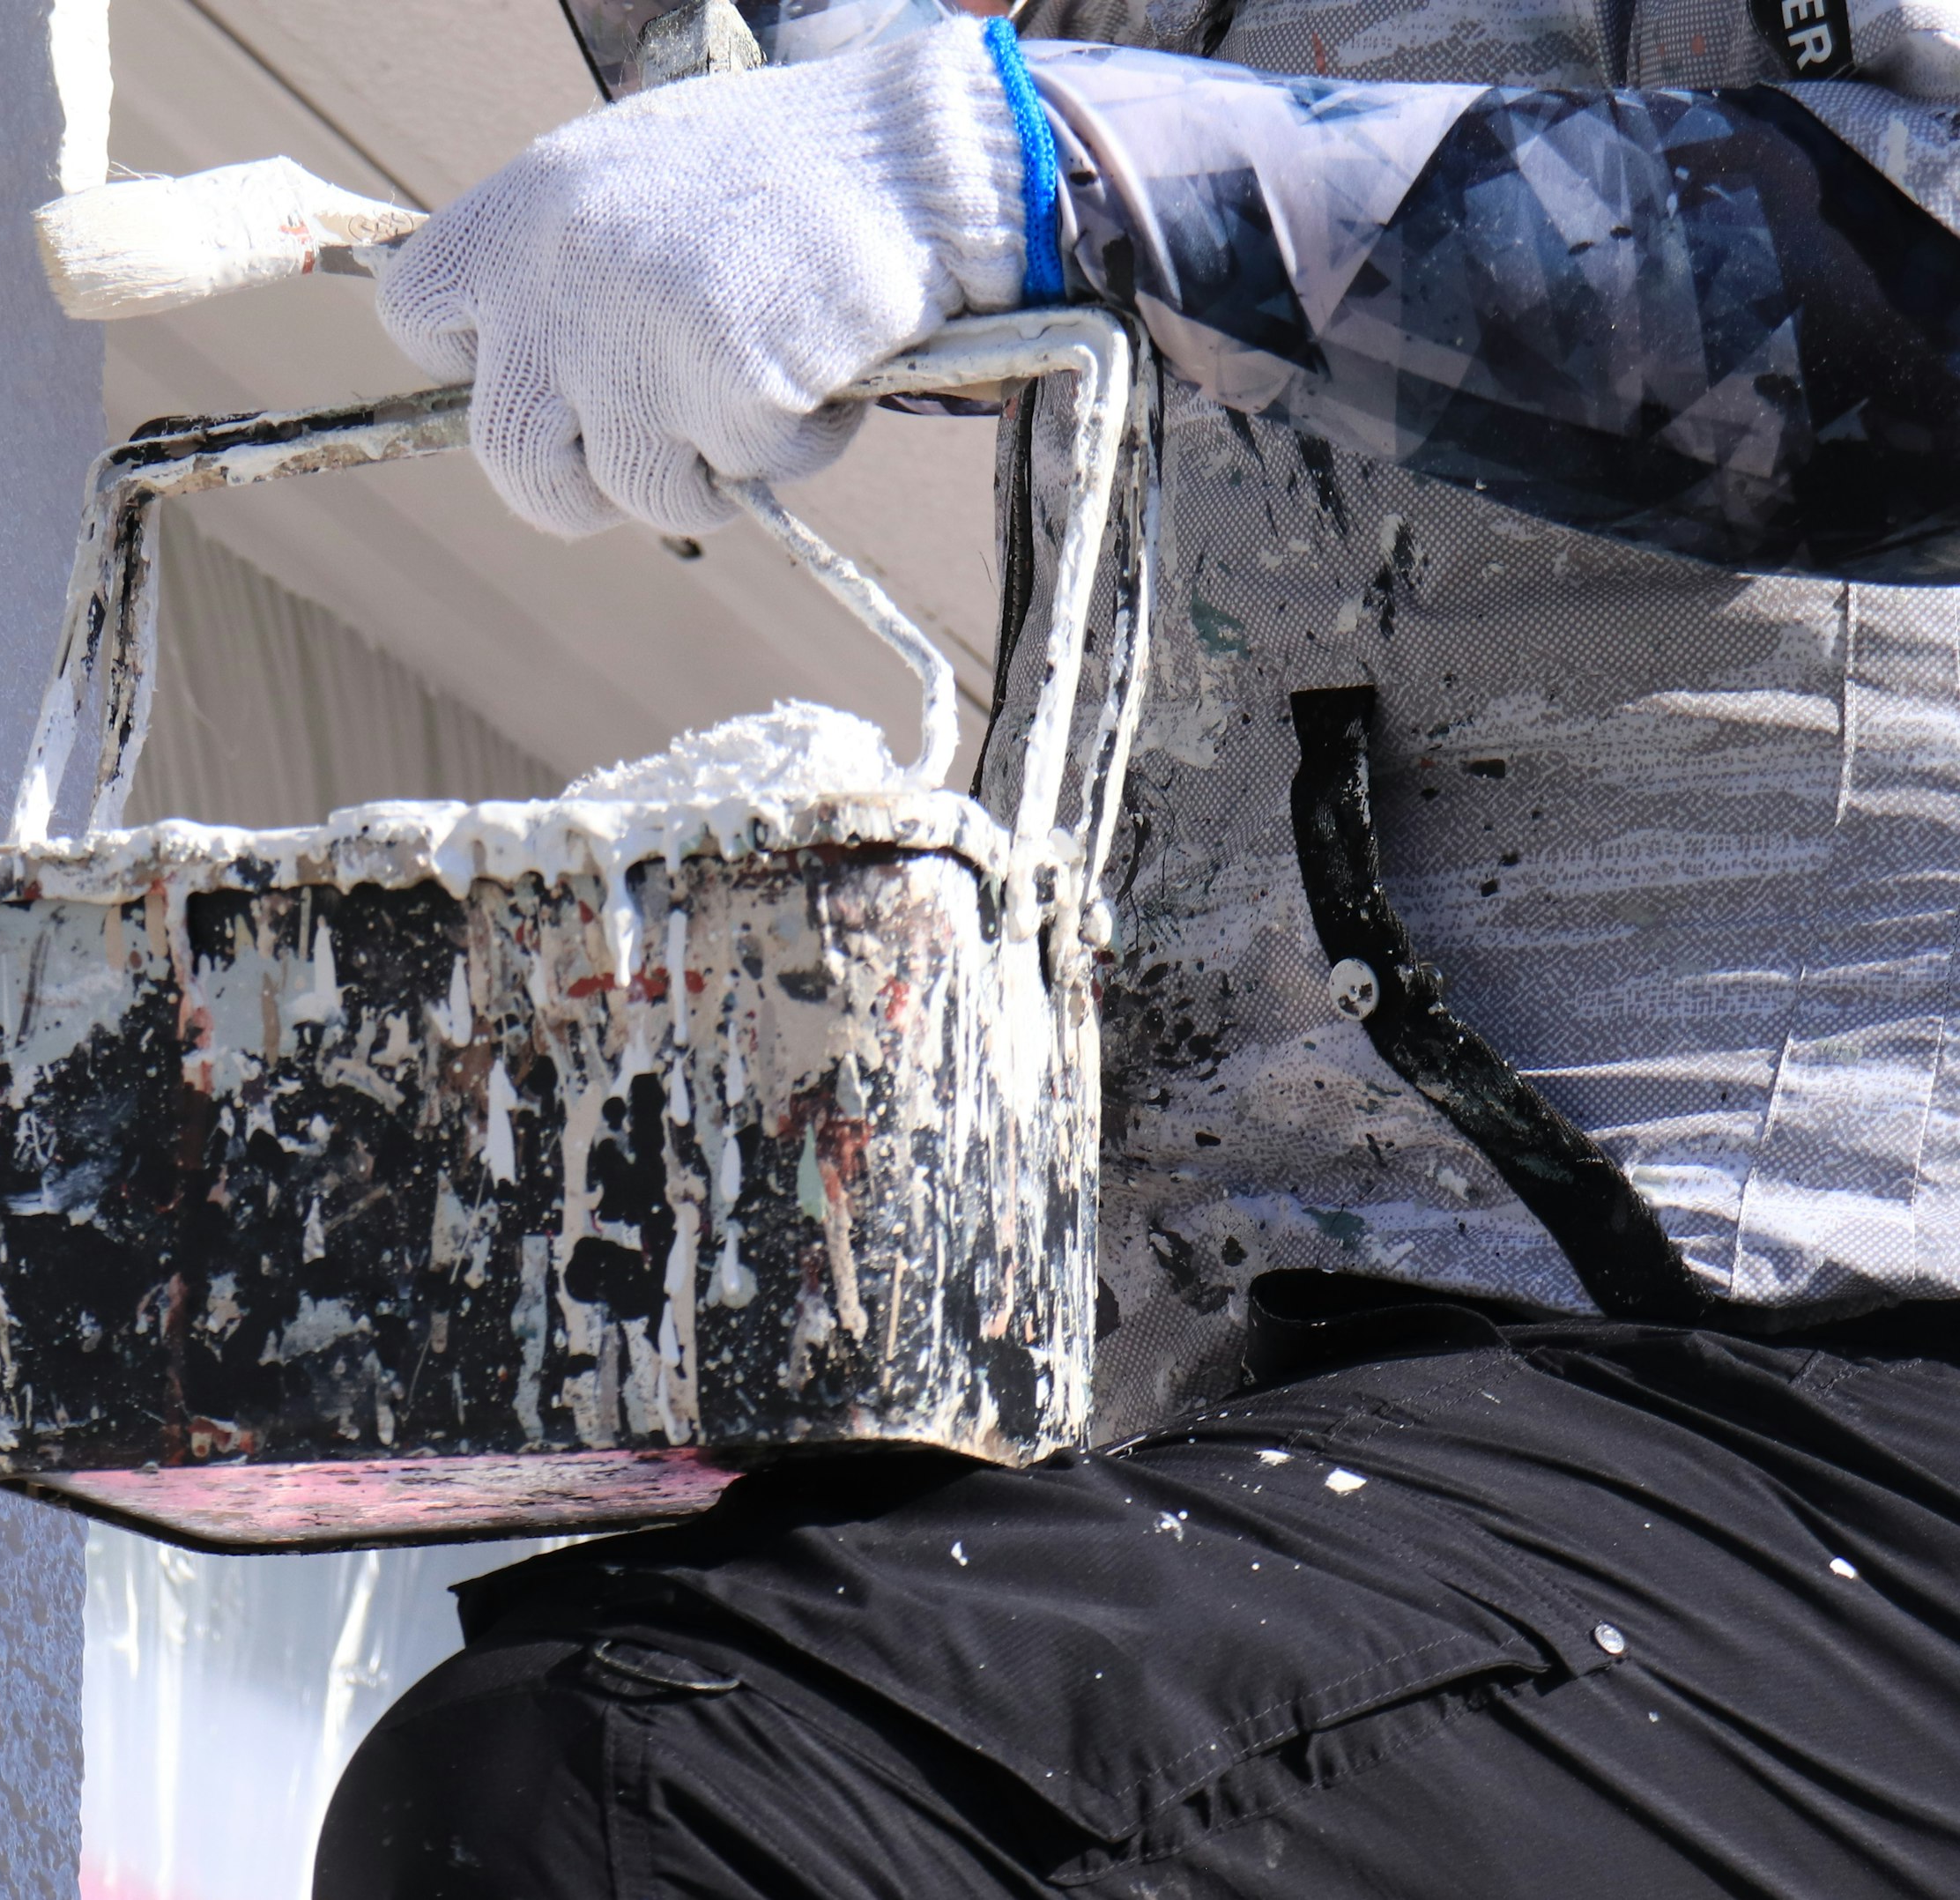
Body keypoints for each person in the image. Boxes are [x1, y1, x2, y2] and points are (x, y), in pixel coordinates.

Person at [314, 0, 1960, 1890]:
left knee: (626, 1792)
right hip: (1323, 1435)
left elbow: (1919, 294)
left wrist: (1019, 164)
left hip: (1841, 1409)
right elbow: (778, 204)